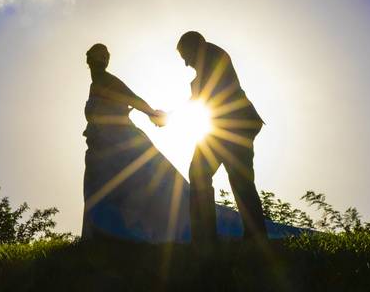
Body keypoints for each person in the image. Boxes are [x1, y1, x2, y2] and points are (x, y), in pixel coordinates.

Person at [81, 43, 181, 240]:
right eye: (98, 56)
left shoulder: (110, 81)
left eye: (105, 57)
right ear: (89, 59)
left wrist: (152, 114)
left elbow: (133, 99)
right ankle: (102, 236)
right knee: (99, 188)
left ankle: (131, 233)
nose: (102, 60)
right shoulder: (95, 85)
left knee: (138, 183)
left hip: (120, 142)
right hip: (99, 144)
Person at [177, 31, 267, 244]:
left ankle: (208, 237)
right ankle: (244, 236)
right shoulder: (211, 58)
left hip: (233, 126)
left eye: (185, 57)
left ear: (194, 47)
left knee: (225, 176)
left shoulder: (214, 56)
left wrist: (173, 115)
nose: (186, 64)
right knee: (233, 178)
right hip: (226, 126)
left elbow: (204, 91)